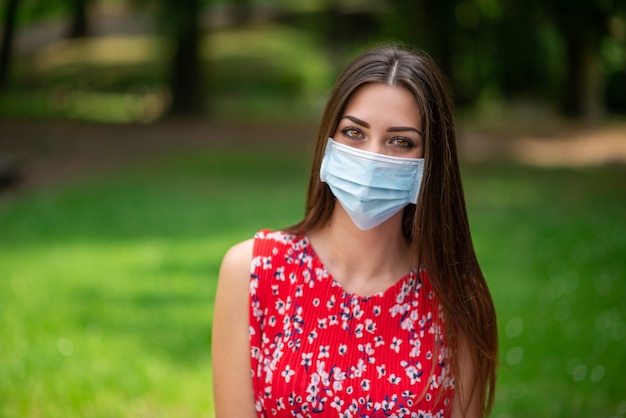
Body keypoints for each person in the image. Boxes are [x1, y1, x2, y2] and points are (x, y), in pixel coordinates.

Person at [212, 44, 498, 418]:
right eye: (354, 133)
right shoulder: (251, 271)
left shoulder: (456, 296)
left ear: (430, 164)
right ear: (329, 142)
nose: (373, 157)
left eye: (401, 142)